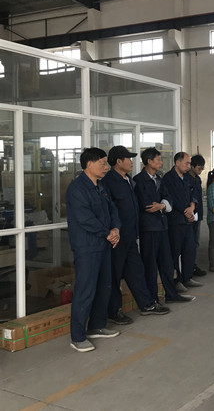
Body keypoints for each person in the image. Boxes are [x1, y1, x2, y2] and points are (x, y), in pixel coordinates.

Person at [103, 146, 169, 326]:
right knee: (115, 274)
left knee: (136, 271)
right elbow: (109, 211)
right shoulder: (109, 182)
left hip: (131, 236)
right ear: (119, 161)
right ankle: (114, 311)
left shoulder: (128, 180)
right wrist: (113, 230)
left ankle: (146, 304)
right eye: (128, 159)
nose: (132, 162)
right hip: (117, 238)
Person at [66, 147, 121, 352]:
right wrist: (107, 233)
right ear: (89, 164)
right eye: (102, 163)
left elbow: (113, 210)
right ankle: (78, 337)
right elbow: (85, 218)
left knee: (104, 286)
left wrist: (115, 229)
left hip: (104, 244)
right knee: (85, 290)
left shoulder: (101, 186)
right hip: (87, 247)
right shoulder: (76, 188)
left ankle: (97, 326)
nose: (106, 167)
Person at [133, 148, 194, 305]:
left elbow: (168, 199)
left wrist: (162, 205)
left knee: (167, 263)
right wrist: (162, 206)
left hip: (162, 226)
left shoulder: (159, 179)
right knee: (151, 265)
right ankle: (153, 298)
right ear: (149, 161)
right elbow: (147, 205)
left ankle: (171, 294)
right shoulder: (139, 180)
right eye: (158, 160)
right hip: (149, 228)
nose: (161, 162)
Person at [162, 152, 201, 290]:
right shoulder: (168, 178)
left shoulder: (188, 178)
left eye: (189, 163)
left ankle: (187, 277)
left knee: (189, 250)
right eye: (187, 163)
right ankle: (176, 280)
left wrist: (192, 207)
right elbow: (171, 199)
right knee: (175, 251)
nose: (189, 166)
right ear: (177, 162)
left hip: (188, 221)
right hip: (175, 221)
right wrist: (186, 212)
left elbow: (194, 194)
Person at [188, 154, 208, 277]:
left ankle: (193, 265)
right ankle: (188, 267)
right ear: (192, 166)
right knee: (189, 243)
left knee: (196, 242)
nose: (201, 170)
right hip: (189, 216)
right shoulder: (186, 179)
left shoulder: (197, 179)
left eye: (202, 168)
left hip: (198, 215)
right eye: (199, 168)